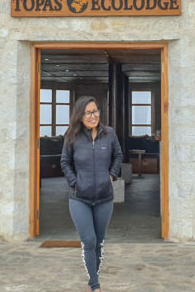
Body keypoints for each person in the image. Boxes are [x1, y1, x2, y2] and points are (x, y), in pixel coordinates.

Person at [60, 96, 123, 292]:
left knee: (98, 242)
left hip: (104, 198)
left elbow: (118, 155)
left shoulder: (109, 134)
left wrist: (111, 175)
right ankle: (95, 285)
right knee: (89, 240)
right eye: (88, 112)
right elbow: (65, 162)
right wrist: (74, 182)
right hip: (80, 198)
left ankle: (91, 281)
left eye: (95, 111)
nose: (93, 115)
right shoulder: (72, 136)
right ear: (79, 115)